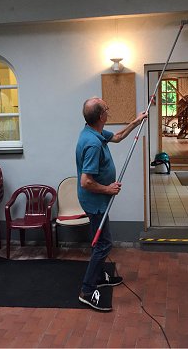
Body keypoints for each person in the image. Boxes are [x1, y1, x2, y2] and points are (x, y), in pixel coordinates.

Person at [76, 97, 148, 311]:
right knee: (104, 243)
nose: (109, 111)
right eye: (107, 109)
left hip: (96, 200)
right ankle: (87, 290)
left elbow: (117, 137)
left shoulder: (93, 132)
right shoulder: (92, 143)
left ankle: (99, 277)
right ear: (101, 116)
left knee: (100, 243)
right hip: (95, 201)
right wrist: (108, 189)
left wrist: (136, 121)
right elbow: (86, 181)